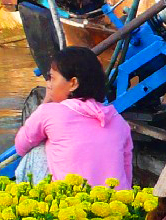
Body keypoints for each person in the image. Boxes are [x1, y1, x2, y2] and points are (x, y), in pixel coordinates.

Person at [12, 46, 132, 188]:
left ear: (73, 83)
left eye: (52, 78)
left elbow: (21, 146)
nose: (48, 85)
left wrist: (45, 102)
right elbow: (127, 174)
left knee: (36, 151)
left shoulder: (49, 112)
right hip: (114, 204)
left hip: (71, 204)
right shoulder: (119, 121)